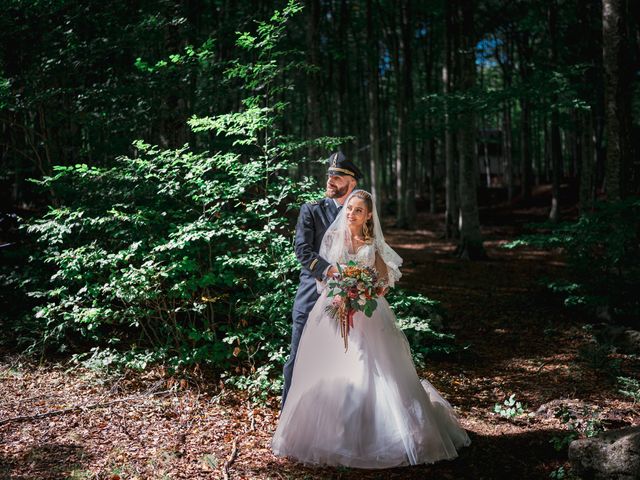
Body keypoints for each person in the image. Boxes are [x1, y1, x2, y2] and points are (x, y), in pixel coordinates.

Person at [272, 189, 471, 468]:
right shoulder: (333, 239)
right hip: (335, 308)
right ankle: (332, 436)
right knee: (331, 367)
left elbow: (384, 282)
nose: (351, 213)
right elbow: (324, 278)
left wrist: (365, 293)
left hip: (368, 313)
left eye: (358, 210)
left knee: (374, 369)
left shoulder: (372, 244)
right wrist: (342, 294)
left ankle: (375, 436)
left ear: (368, 217)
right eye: (350, 208)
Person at [281, 151, 362, 409]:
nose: (330, 179)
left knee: (343, 360)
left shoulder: (359, 214)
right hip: (311, 295)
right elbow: (303, 251)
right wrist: (330, 272)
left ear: (352, 183)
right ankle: (288, 416)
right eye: (329, 174)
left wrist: (357, 281)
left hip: (349, 300)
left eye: (337, 176)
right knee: (298, 357)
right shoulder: (311, 210)